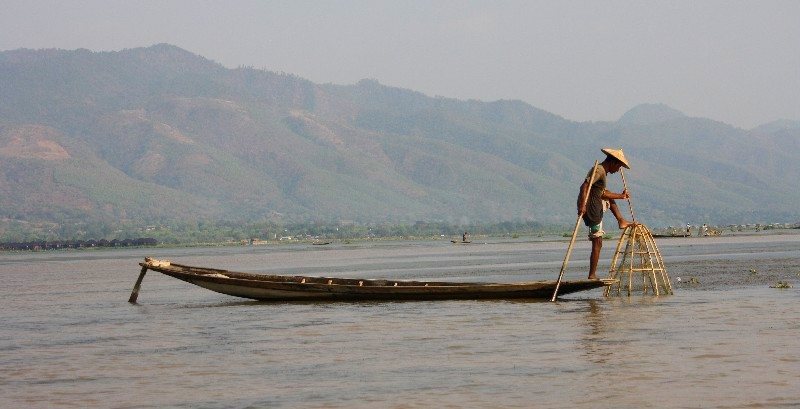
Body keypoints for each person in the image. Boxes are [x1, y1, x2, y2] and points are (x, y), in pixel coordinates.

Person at [577, 148, 633, 280]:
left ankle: (621, 220)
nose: (618, 170)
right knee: (597, 242)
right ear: (613, 162)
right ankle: (592, 275)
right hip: (592, 210)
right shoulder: (599, 170)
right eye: (619, 166)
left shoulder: (602, 172)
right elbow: (584, 187)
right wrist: (582, 205)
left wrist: (622, 196)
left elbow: (603, 193)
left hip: (595, 205)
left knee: (609, 197)